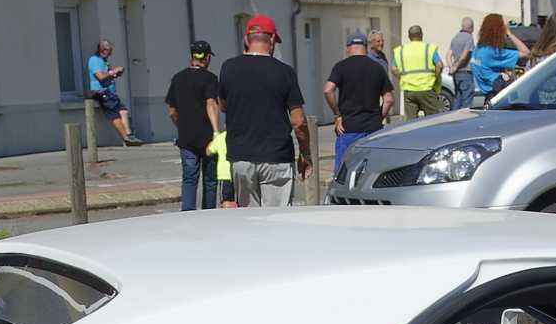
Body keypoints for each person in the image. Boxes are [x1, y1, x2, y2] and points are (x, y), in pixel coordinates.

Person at [219, 13, 310, 205]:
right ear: (273, 41)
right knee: (276, 222)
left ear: (246, 39)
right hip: (276, 157)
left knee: (251, 223)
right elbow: (298, 121)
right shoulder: (285, 72)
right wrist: (305, 153)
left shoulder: (228, 68)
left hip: (241, 157)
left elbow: (223, 106)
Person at [324, 31, 395, 176]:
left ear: (348, 47)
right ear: (365, 47)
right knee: (372, 173)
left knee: (344, 173)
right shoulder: (377, 68)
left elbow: (328, 90)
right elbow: (389, 99)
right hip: (373, 130)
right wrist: (378, 117)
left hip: (348, 128)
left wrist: (337, 115)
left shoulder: (340, 67)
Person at [164, 40, 223, 211]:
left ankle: (188, 214)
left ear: (192, 56)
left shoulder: (178, 78)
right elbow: (211, 103)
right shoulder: (210, 78)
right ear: (207, 58)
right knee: (210, 180)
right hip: (207, 138)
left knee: (189, 179)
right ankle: (208, 213)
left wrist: (181, 126)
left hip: (186, 137)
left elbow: (172, 111)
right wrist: (216, 131)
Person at [85, 39, 136, 145]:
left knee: (123, 111)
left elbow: (108, 75)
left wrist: (117, 73)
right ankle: (126, 138)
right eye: (109, 51)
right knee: (114, 115)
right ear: (103, 50)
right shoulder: (94, 60)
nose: (110, 54)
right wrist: (113, 71)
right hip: (102, 92)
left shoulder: (104, 61)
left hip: (110, 92)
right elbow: (100, 76)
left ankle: (130, 135)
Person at [390, 23, 443, 118]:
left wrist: (402, 78)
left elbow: (393, 68)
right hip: (427, 89)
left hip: (409, 91)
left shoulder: (401, 50)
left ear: (409, 36)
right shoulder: (428, 48)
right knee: (432, 120)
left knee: (411, 124)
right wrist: (435, 77)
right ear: (421, 35)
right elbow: (439, 65)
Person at [469, 13, 522, 105]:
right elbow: (526, 53)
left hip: (484, 97)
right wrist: (509, 33)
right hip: (497, 98)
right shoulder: (493, 52)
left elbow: (483, 69)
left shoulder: (477, 50)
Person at [444, 15, 475, 111]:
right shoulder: (469, 38)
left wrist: (451, 67)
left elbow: (448, 55)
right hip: (465, 72)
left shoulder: (455, 38)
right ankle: (465, 123)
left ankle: (454, 120)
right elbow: (464, 56)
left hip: (456, 74)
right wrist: (456, 67)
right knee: (466, 101)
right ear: (471, 28)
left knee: (457, 98)